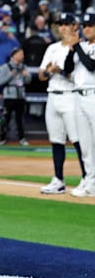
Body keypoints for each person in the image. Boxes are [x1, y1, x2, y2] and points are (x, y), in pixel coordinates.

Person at [38, 13, 86, 194]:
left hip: (71, 96)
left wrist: (62, 71)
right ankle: (58, 179)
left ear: (75, 26)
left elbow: (80, 77)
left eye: (66, 24)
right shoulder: (52, 48)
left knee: (78, 140)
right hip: (53, 96)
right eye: (60, 24)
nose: (63, 28)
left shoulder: (80, 47)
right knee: (56, 140)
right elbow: (41, 75)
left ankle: (86, 179)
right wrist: (50, 71)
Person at [63, 13, 95, 197]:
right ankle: (89, 182)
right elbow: (67, 69)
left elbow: (91, 65)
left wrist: (77, 47)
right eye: (85, 25)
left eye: (90, 25)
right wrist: (71, 49)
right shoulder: (80, 46)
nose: (86, 28)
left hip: (93, 96)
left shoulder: (84, 47)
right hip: (79, 97)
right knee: (85, 144)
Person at [0, 47, 32, 146]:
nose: (22, 56)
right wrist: (10, 75)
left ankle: (21, 138)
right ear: (14, 55)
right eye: (20, 54)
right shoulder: (6, 67)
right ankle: (2, 138)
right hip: (9, 96)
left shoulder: (24, 67)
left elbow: (28, 81)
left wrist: (26, 75)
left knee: (20, 119)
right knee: (6, 118)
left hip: (20, 96)